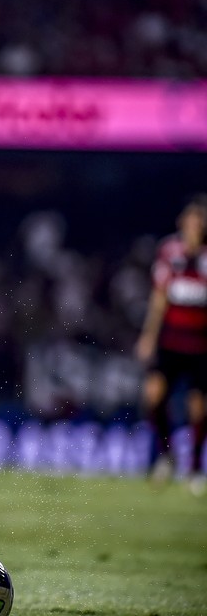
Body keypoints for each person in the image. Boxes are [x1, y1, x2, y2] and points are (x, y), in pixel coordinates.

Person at [135, 195, 207, 496]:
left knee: (198, 410)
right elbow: (160, 297)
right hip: (170, 341)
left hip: (201, 344)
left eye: (199, 222)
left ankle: (193, 469)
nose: (194, 227)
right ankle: (166, 454)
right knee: (153, 397)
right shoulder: (169, 252)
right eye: (190, 221)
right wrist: (149, 336)